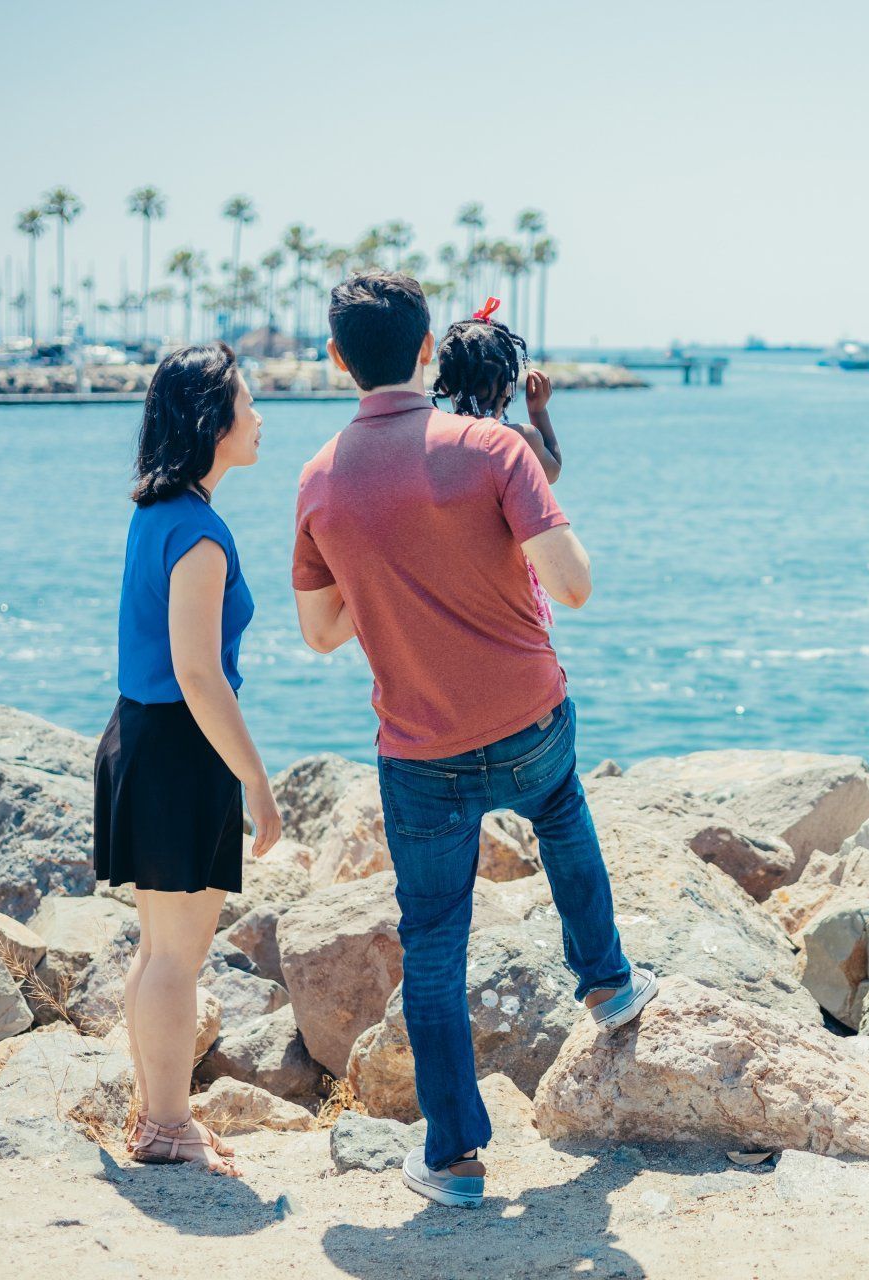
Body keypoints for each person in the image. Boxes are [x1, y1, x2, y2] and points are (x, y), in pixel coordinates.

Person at [291, 272, 655, 1209]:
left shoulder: (319, 479)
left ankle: (453, 1157)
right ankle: (608, 983)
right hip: (529, 720)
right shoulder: (496, 449)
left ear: (338, 361)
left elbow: (322, 633)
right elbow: (572, 587)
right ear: (426, 351)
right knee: (564, 814)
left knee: (436, 947)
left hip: (420, 752)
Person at [92, 343, 282, 1177]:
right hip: (178, 747)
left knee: (157, 948)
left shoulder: (157, 512)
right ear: (213, 421)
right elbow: (199, 673)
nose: (260, 416)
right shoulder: (200, 534)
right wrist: (258, 783)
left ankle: (156, 1115)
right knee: (176, 955)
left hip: (141, 736)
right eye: (248, 401)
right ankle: (169, 1127)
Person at [430, 297, 560, 625]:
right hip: (506, 588)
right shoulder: (521, 439)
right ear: (508, 386)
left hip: (449, 584)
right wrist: (538, 411)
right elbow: (554, 470)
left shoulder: (432, 439)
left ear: (444, 384)